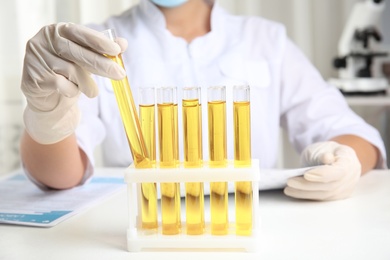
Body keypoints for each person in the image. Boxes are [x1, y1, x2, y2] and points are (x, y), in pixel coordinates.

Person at [20, 0, 386, 200]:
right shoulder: (98, 46)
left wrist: (347, 159)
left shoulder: (265, 39)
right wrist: (45, 111)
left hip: (253, 223)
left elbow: (349, 131)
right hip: (145, 224)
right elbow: (60, 176)